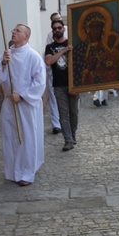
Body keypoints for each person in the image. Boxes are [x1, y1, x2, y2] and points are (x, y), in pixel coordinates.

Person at [0, 24, 46, 186]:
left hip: (26, 105)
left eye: (17, 31)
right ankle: (12, 170)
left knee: (26, 138)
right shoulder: (7, 55)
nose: (13, 32)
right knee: (10, 137)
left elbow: (40, 82)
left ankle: (27, 173)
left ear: (26, 36)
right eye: (13, 30)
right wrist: (2, 63)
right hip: (9, 103)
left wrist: (22, 96)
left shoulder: (33, 57)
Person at [45, 19, 78, 151]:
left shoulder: (71, 43)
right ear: (52, 31)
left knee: (74, 113)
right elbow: (49, 61)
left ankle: (73, 135)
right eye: (55, 28)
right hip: (58, 85)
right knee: (63, 114)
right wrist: (63, 51)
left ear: (63, 29)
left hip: (72, 84)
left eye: (59, 28)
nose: (57, 30)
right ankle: (68, 140)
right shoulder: (50, 47)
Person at [72, 6, 119, 87]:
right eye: (93, 26)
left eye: (99, 26)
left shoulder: (106, 48)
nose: (96, 30)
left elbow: (115, 67)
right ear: (87, 29)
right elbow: (75, 70)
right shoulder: (79, 49)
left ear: (103, 28)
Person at [45, 12, 64, 134]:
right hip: (54, 70)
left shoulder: (68, 32)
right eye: (54, 21)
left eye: (58, 20)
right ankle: (56, 124)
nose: (57, 29)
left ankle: (66, 123)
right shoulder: (49, 36)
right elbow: (48, 54)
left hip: (66, 71)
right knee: (53, 99)